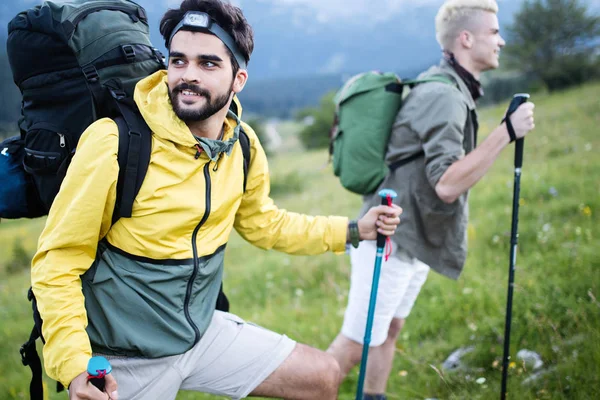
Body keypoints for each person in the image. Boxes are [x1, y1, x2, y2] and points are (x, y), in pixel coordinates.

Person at [30, 1, 402, 399]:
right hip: (124, 359)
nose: (187, 76)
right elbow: (59, 261)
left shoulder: (240, 144)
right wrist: (74, 368)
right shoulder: (113, 143)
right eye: (178, 60)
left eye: (207, 63)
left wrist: (352, 230)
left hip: (202, 334)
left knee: (322, 377)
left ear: (238, 78)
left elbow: (264, 223)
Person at [327, 1, 536, 399]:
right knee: (356, 343)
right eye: (494, 32)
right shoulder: (444, 95)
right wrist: (505, 132)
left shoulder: (451, 86)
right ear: (466, 38)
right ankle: (308, 388)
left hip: (410, 234)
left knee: (388, 330)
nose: (501, 41)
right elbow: (446, 184)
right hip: (389, 237)